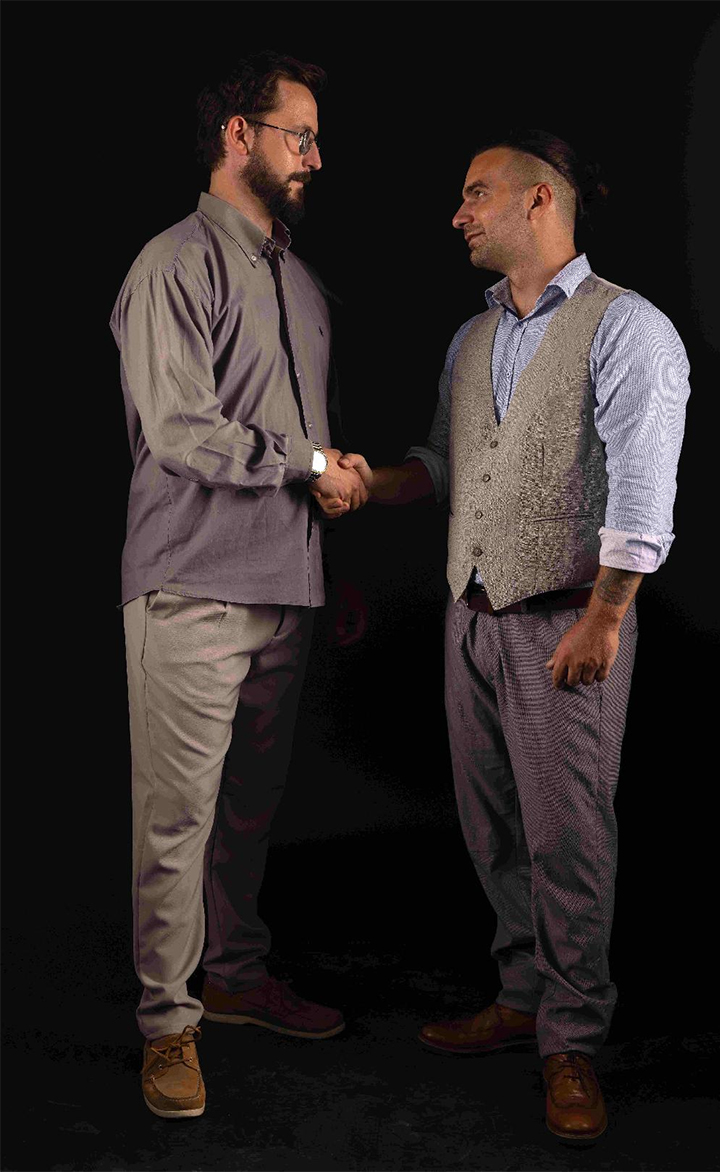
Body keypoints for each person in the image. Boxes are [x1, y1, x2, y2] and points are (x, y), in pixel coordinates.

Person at [316, 130, 690, 1143]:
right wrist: (373, 483)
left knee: (567, 835)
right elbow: (448, 465)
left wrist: (606, 617)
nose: (458, 213)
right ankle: (523, 997)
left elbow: (644, 489)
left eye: (476, 192)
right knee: (493, 827)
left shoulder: (629, 326)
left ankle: (571, 1038)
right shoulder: (473, 336)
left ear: (539, 200)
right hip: (470, 618)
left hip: (568, 620)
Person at [110, 51, 370, 1119]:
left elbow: (321, 450)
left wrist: (329, 567)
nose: (315, 156)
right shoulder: (172, 264)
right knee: (176, 821)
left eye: (314, 139)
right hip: (191, 587)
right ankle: (167, 1027)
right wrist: (311, 464)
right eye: (299, 135)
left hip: (285, 589)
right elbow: (180, 430)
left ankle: (233, 978)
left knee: (248, 811)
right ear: (237, 136)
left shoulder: (302, 283)